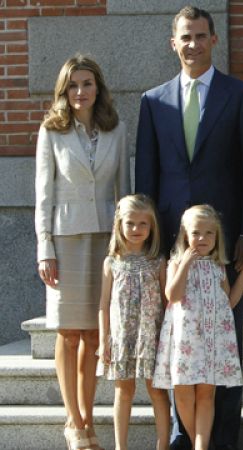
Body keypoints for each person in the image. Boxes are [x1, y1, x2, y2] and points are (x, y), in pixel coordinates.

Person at [135, 6, 243, 448]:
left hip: (222, 243)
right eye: (185, 37)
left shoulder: (241, 94)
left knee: (224, 343)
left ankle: (223, 438)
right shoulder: (153, 101)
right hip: (172, 245)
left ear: (214, 40)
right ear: (174, 43)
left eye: (201, 36)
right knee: (176, 341)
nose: (193, 44)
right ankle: (183, 437)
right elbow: (146, 175)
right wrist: (150, 243)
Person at [34, 54, 130, 450]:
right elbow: (44, 194)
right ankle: (73, 422)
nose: (80, 91)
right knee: (68, 332)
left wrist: (126, 247)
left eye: (87, 83)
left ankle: (88, 421)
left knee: (93, 334)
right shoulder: (51, 131)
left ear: (98, 87)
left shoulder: (116, 129)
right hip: (65, 241)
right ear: (64, 90)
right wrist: (45, 247)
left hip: (105, 240)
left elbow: (125, 190)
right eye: (73, 85)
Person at [152, 205, 243, 450]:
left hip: (211, 338)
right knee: (183, 393)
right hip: (186, 340)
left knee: (206, 394)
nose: (203, 238)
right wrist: (186, 263)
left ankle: (201, 446)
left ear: (217, 237)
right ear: (185, 235)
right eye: (196, 232)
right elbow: (173, 295)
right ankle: (195, 439)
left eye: (209, 233)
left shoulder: (218, 266)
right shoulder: (176, 263)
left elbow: (229, 301)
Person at [97, 194, 170, 450]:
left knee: (157, 391)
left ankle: (163, 445)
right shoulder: (112, 263)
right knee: (123, 390)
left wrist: (168, 339)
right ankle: (121, 446)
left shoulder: (158, 262)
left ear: (152, 227)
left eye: (143, 224)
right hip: (122, 338)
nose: (136, 229)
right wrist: (104, 340)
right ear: (119, 224)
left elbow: (167, 303)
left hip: (151, 337)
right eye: (130, 223)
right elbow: (103, 304)